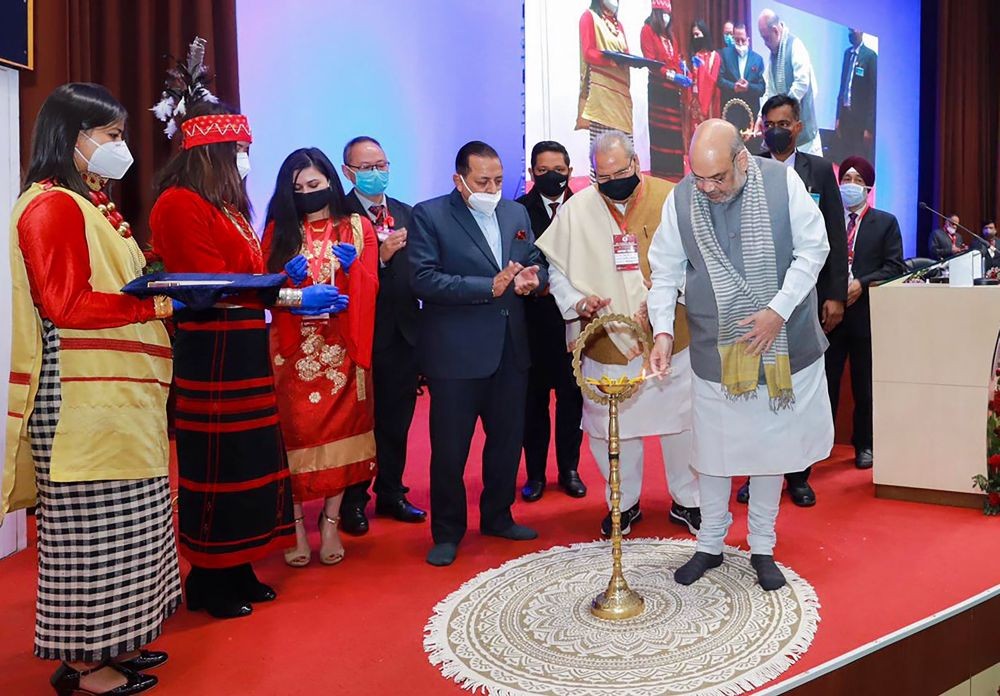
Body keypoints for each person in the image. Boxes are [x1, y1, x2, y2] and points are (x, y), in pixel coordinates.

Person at [4, 83, 178, 696]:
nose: (121, 147)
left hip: (113, 397)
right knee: (89, 539)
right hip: (79, 400)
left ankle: (115, 643)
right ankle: (81, 668)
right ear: (71, 137)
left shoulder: (90, 203)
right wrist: (160, 300)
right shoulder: (50, 206)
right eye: (111, 136)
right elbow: (67, 303)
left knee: (131, 529)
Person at [151, 102, 339, 618]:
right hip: (211, 348)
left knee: (253, 457)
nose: (244, 160)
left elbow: (251, 276)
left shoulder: (227, 206)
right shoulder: (179, 203)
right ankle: (210, 577)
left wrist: (282, 283)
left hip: (243, 344)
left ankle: (240, 564)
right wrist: (291, 296)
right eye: (238, 150)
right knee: (219, 464)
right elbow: (210, 286)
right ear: (212, 152)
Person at [648, 120, 832, 591]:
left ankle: (762, 546)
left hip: (781, 341)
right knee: (715, 451)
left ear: (742, 160)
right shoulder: (683, 196)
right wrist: (664, 332)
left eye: (718, 178)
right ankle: (709, 542)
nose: (707, 188)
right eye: (699, 177)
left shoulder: (780, 181)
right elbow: (665, 268)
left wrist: (777, 311)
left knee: (770, 451)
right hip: (717, 346)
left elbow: (814, 250)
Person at [534, 130, 701, 537]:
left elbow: (698, 260)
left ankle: (688, 500)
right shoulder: (578, 209)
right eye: (602, 177)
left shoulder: (672, 196)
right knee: (614, 427)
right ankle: (622, 504)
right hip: (606, 338)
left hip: (671, 335)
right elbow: (558, 271)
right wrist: (578, 303)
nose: (612, 183)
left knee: (683, 422)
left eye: (620, 172)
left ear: (635, 161)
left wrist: (667, 298)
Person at [409, 141, 547, 566]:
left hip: (510, 349)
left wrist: (533, 278)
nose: (492, 188)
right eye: (483, 181)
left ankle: (498, 516)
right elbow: (424, 279)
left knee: (506, 442)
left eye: (499, 180)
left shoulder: (515, 213)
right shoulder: (429, 215)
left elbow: (536, 258)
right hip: (456, 356)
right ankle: (448, 531)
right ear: (459, 180)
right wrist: (486, 287)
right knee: (450, 450)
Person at [262, 147, 379, 567]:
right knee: (293, 437)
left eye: (315, 184)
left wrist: (355, 272)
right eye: (299, 188)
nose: (309, 192)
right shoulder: (279, 229)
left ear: (331, 180)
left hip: (341, 346)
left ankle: (329, 522)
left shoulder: (357, 227)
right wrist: (286, 280)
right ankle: (295, 526)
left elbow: (371, 288)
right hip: (292, 351)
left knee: (339, 435)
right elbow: (264, 289)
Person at [741, 93, 848, 507]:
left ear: (798, 127)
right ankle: (758, 472)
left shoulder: (818, 170)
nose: (774, 129)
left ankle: (798, 476)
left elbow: (834, 238)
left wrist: (835, 294)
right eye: (768, 122)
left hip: (805, 297)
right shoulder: (747, 165)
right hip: (758, 296)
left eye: (782, 123)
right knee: (759, 390)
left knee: (798, 388)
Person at [337, 136, 427, 535]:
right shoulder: (338, 216)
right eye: (367, 167)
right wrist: (381, 257)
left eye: (382, 165)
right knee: (358, 422)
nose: (377, 174)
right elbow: (337, 275)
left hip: (403, 334)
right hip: (356, 336)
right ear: (348, 172)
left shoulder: (408, 214)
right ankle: (353, 501)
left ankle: (392, 492)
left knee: (396, 421)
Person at [825, 156, 905, 472]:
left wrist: (861, 283)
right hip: (829, 315)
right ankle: (819, 444)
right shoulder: (827, 220)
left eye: (858, 180)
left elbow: (895, 267)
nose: (851, 185)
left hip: (866, 317)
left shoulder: (885, 222)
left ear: (869, 187)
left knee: (865, 385)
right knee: (825, 385)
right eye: (847, 178)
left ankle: (865, 445)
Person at [517, 141, 586, 502]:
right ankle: (536, 474)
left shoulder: (585, 207)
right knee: (534, 402)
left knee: (572, 400)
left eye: (558, 170)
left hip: (575, 323)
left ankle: (569, 469)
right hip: (533, 324)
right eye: (542, 171)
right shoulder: (517, 212)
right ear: (532, 174)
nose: (551, 177)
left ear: (569, 170)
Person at [578, 0, 635, 180]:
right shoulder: (589, 17)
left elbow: (626, 51)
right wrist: (612, 60)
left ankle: (628, 183)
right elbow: (588, 52)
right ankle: (599, 189)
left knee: (626, 143)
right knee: (601, 145)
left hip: (621, 94)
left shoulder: (618, 24)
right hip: (601, 92)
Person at [758, 9, 822, 157]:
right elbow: (770, 90)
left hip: (804, 136)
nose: (765, 43)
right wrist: (762, 117)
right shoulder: (773, 56)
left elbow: (802, 83)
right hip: (785, 135)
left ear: (775, 30)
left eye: (766, 38)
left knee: (809, 176)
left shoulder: (795, 46)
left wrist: (783, 110)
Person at [640, 0, 686, 181]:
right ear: (657, 13)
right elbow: (651, 63)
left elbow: (675, 59)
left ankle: (676, 177)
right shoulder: (647, 30)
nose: (667, 18)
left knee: (675, 136)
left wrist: (682, 68)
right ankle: (661, 178)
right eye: (664, 14)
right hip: (659, 91)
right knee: (662, 135)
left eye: (669, 14)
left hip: (673, 92)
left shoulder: (670, 35)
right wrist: (672, 76)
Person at [836, 29, 877, 163]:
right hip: (846, 116)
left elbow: (873, 94)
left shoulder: (870, 56)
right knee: (845, 156)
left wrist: (869, 127)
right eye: (849, 30)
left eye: (854, 30)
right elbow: (842, 86)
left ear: (862, 31)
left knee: (859, 158)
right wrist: (838, 117)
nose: (851, 32)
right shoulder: (847, 54)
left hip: (861, 119)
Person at [718, 23, 766, 131]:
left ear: (748, 39)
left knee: (751, 147)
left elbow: (762, 88)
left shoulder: (757, 59)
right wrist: (733, 86)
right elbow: (719, 80)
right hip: (730, 111)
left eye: (743, 40)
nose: (740, 43)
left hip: (751, 114)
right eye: (737, 40)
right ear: (733, 38)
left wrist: (748, 87)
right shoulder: (724, 54)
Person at [687, 21, 722, 140]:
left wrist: (701, 67)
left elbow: (713, 81)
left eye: (697, 34)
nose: (695, 38)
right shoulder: (693, 55)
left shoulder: (714, 56)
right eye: (693, 36)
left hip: (710, 102)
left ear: (705, 34)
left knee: (709, 137)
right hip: (694, 103)